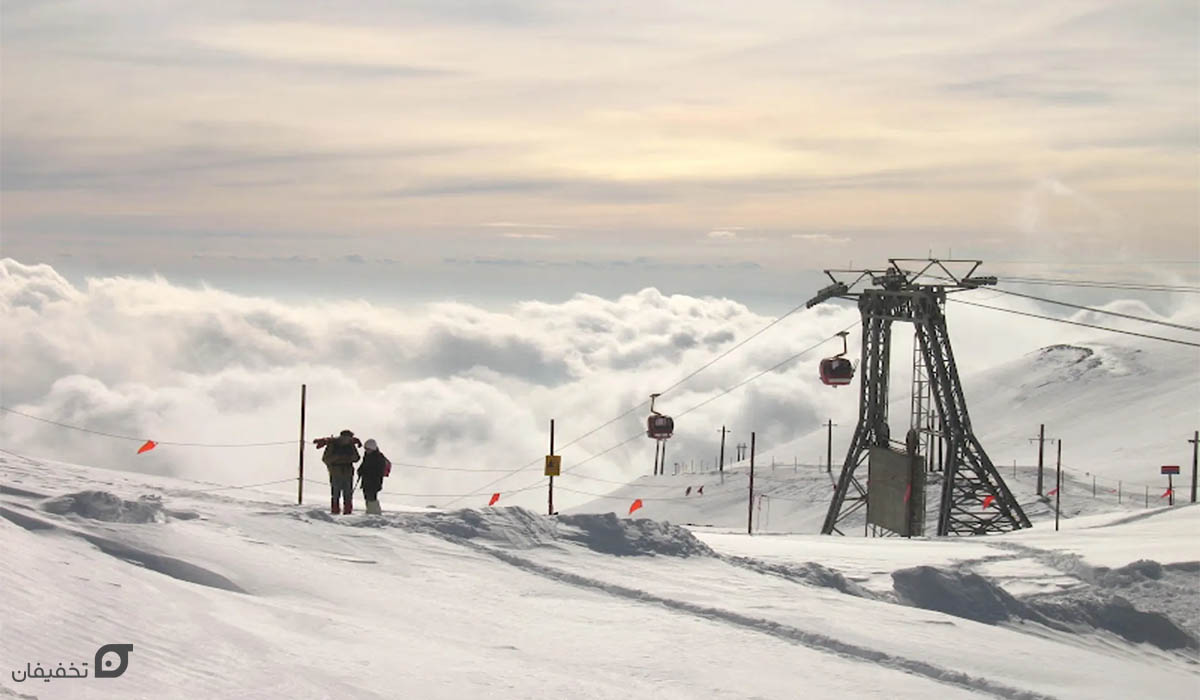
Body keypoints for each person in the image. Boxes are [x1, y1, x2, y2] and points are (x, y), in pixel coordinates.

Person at [320, 429, 361, 514]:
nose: (347, 440)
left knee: (348, 495)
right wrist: (339, 457)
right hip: (336, 473)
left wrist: (347, 458)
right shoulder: (333, 444)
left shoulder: (350, 445)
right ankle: (335, 511)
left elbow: (357, 458)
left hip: (347, 473)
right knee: (335, 494)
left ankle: (347, 512)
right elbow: (325, 459)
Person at [358, 438, 390, 515]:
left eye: (367, 449)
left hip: (374, 481)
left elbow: (377, 471)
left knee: (372, 497)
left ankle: (375, 512)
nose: (366, 450)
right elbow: (363, 466)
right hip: (367, 480)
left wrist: (365, 471)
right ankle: (370, 511)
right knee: (367, 496)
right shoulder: (367, 456)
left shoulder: (378, 457)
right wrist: (360, 470)